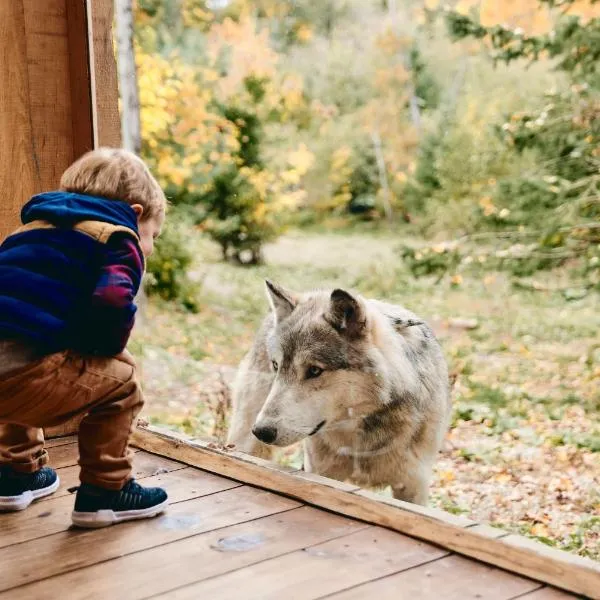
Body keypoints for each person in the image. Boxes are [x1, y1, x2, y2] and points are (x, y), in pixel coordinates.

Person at [0, 148, 168, 528]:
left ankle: (16, 473)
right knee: (123, 380)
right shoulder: (116, 238)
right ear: (136, 213)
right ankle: (107, 491)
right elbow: (111, 300)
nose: (151, 246)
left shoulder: (27, 232)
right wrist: (107, 349)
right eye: (153, 236)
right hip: (25, 376)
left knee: (22, 344)